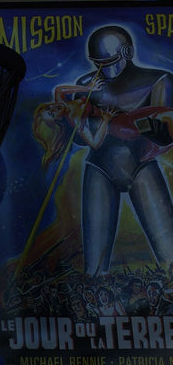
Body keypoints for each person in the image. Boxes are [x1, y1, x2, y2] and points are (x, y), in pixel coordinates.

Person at [68, 26, 173, 276]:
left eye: (108, 63)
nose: (102, 69)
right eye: (97, 63)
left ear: (126, 53)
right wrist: (79, 115)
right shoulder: (85, 85)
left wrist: (127, 124)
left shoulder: (158, 80)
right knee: (94, 270)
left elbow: (165, 132)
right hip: (100, 167)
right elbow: (80, 139)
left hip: (141, 165)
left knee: (170, 253)